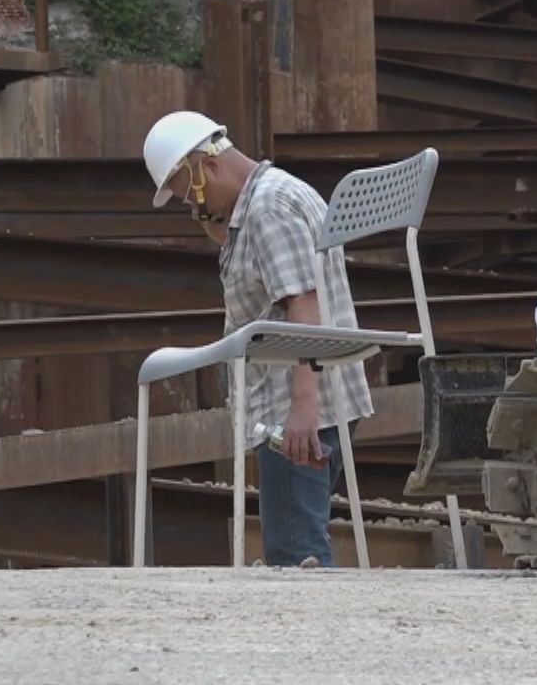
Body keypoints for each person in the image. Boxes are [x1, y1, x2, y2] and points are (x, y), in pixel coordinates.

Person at [142, 110, 372, 567]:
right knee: (300, 547)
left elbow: (302, 306)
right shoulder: (271, 197)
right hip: (310, 402)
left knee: (295, 557)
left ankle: (312, 637)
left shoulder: (268, 209)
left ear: (205, 165)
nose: (191, 205)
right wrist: (216, 221)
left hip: (298, 407)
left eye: (189, 191)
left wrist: (303, 408)